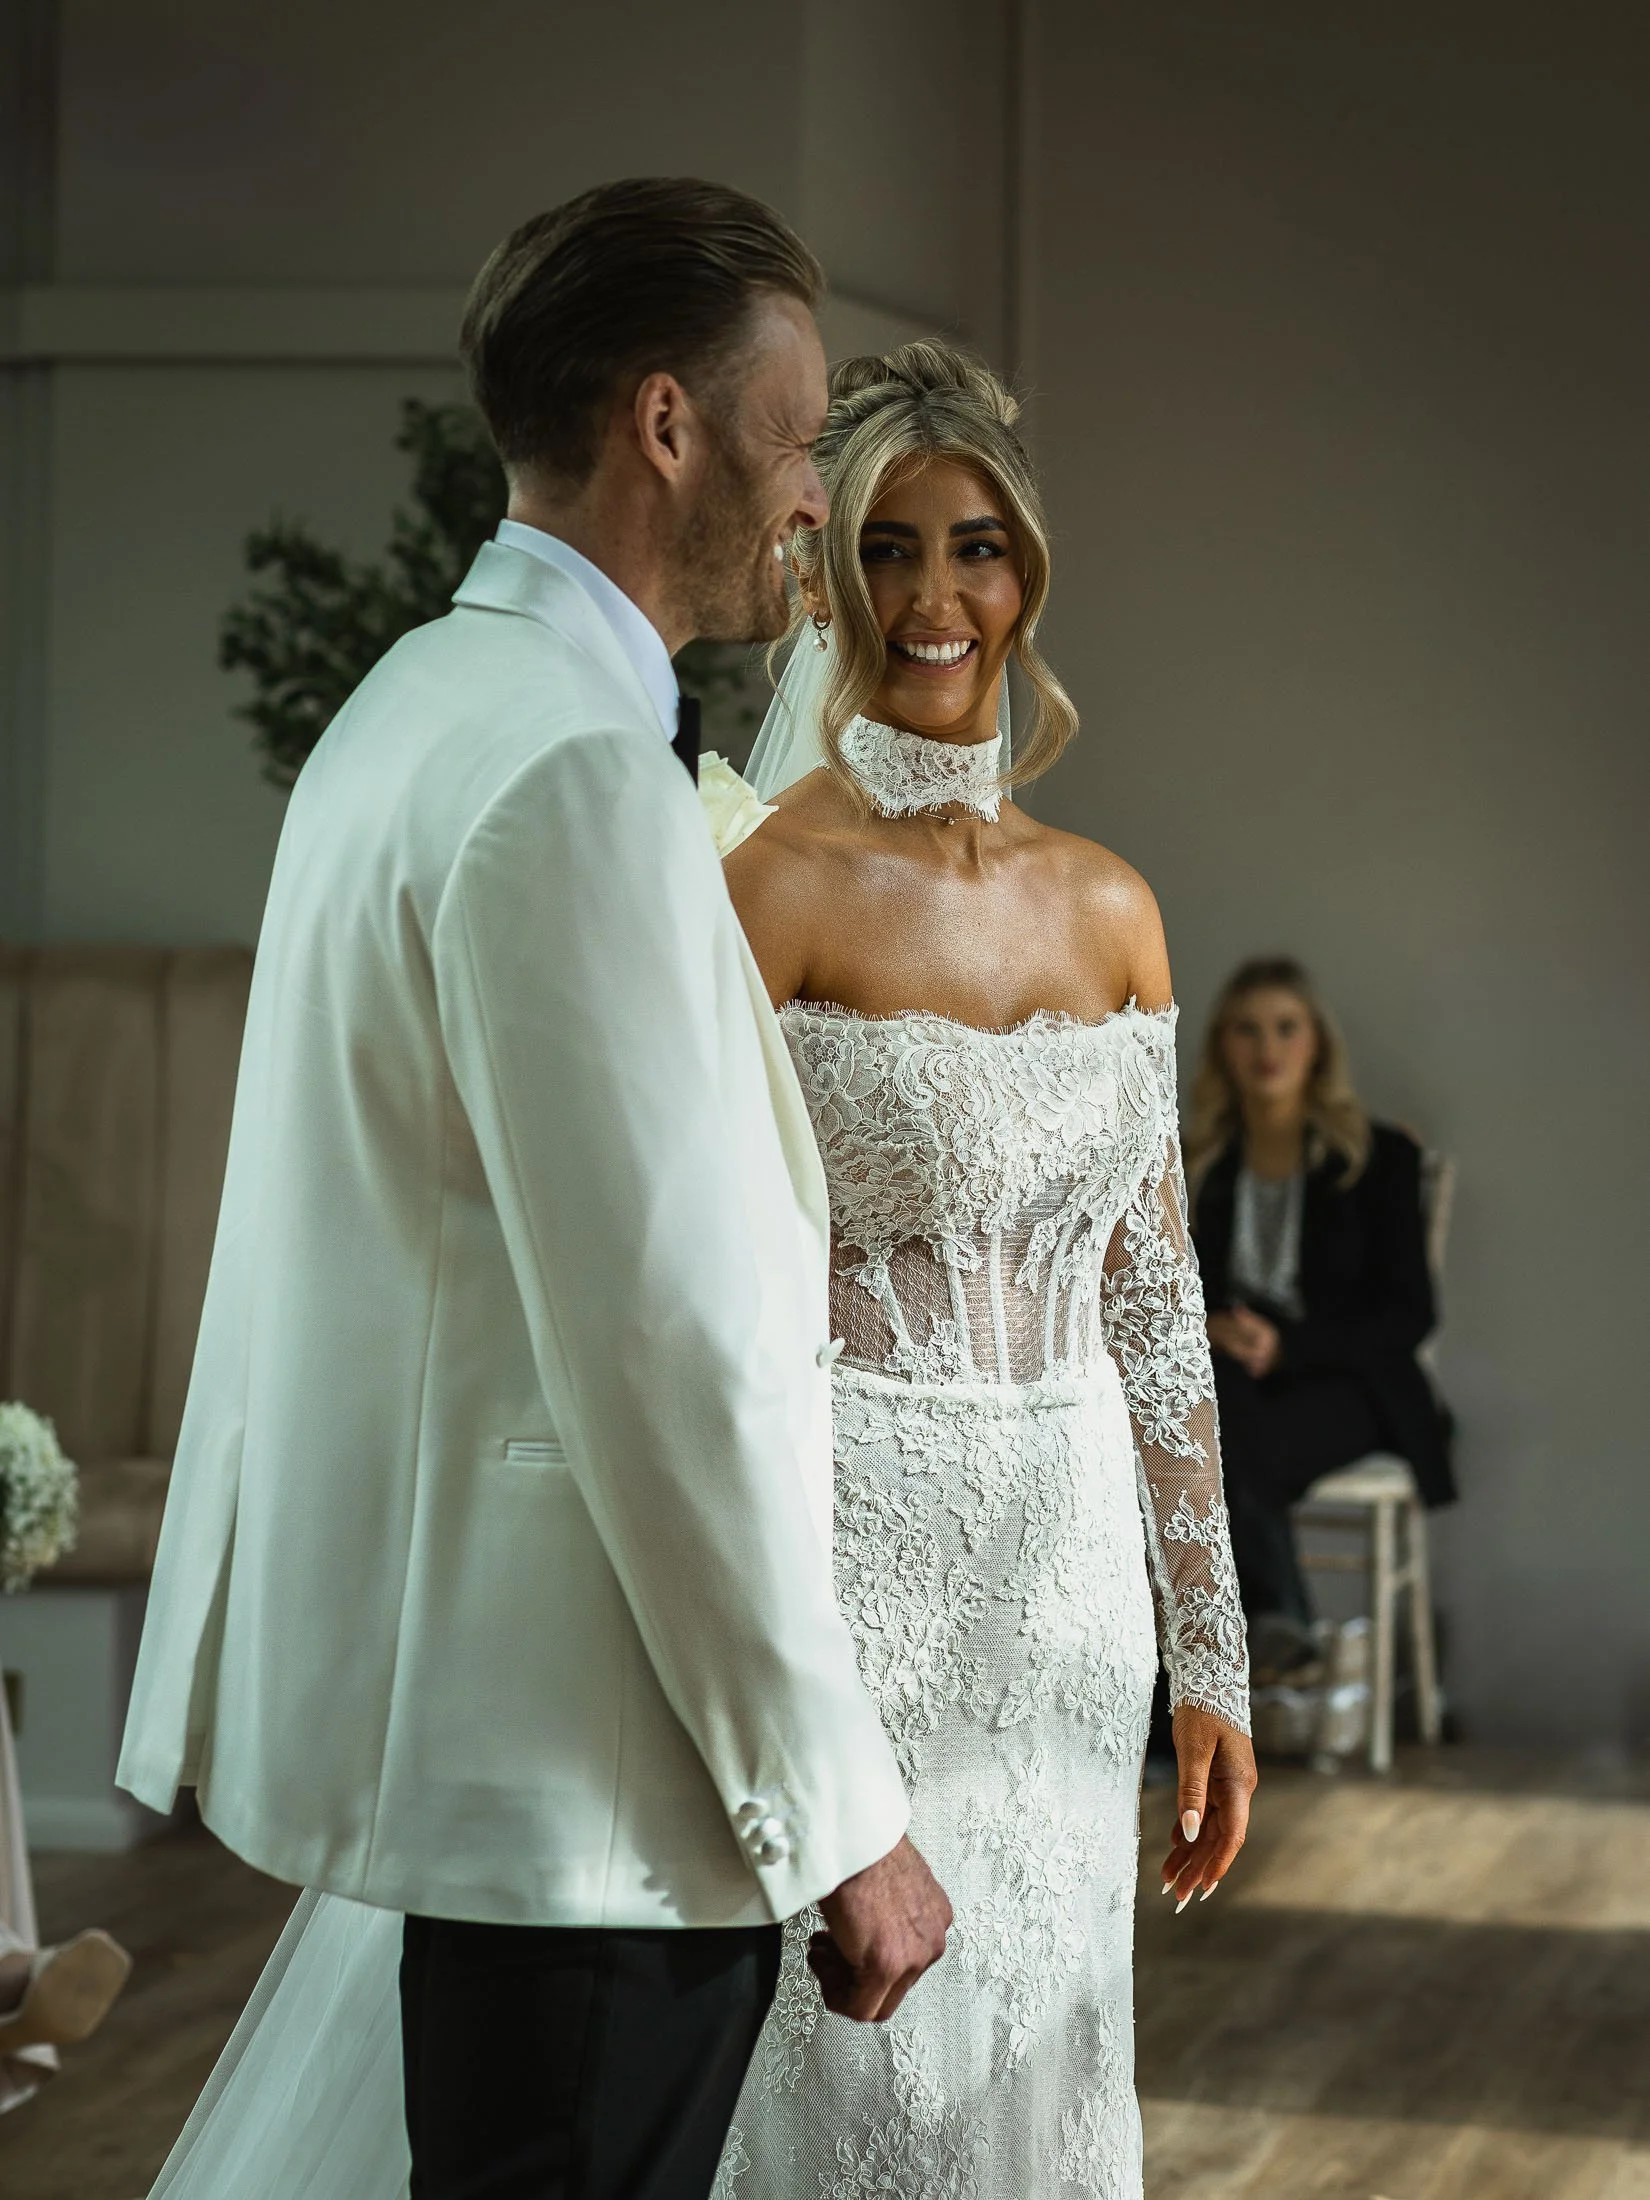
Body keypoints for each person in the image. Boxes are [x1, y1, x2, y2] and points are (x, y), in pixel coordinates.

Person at [119, 178, 947, 2200]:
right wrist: (837, 1809)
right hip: (598, 1773)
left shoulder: (416, 707)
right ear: (671, 422)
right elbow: (664, 1343)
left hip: (489, 1740)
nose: (814, 485)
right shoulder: (571, 772)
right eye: (798, 419)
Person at [711, 341, 1254, 2197]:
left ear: (1027, 573)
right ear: (822, 581)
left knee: (1045, 2051)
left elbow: (1156, 1301)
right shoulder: (770, 883)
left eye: (974, 548)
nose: (935, 598)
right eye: (885, 552)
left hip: (1074, 1580)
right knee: (853, 2081)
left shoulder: (1116, 906)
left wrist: (1215, 1657)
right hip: (858, 1549)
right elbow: (700, 1270)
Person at [1187, 956, 1455, 1632]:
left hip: (1352, 1383)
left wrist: (1289, 1348)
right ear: (1223, 1045)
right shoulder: (1198, 1161)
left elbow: (1410, 1315)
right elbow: (1167, 1290)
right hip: (1234, 1378)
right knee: (1211, 1422)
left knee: (1216, 1454)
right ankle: (1276, 1645)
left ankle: (1241, 1655)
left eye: (1286, 1028)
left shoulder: (1378, 1156)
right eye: (1246, 1031)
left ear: (1317, 1043)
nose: (1267, 1049)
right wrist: (1213, 1327)